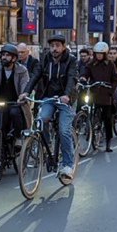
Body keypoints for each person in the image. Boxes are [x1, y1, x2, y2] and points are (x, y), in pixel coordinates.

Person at [32, 33, 78, 182]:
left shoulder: (71, 60)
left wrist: (67, 95)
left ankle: (68, 165)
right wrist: (25, 92)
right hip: (50, 98)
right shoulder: (45, 59)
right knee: (41, 120)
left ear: (63, 47)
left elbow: (71, 78)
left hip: (66, 99)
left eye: (57, 46)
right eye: (52, 46)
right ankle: (47, 149)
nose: (54, 49)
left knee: (64, 130)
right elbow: (35, 76)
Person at [83, 42, 117, 151]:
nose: (99, 56)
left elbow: (115, 79)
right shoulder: (91, 64)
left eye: (101, 54)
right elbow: (85, 73)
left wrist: (111, 90)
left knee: (107, 118)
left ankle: (108, 141)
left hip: (106, 95)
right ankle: (89, 128)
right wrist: (83, 78)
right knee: (87, 109)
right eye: (97, 54)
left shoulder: (111, 65)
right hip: (94, 93)